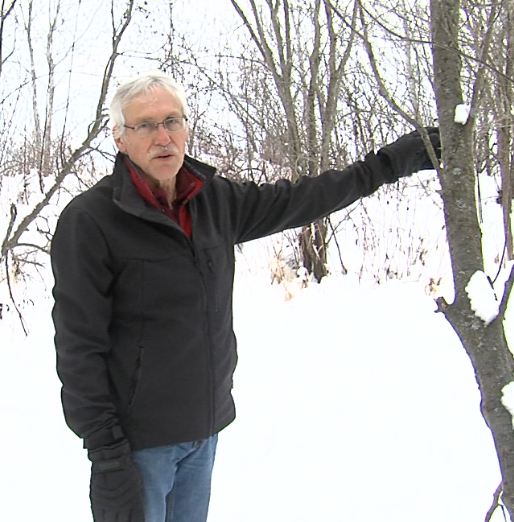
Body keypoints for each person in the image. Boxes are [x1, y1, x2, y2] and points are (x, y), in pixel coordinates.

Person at [50, 70, 441, 522]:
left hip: (203, 430)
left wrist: (389, 164)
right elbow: (79, 346)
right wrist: (106, 449)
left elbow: (303, 199)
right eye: (146, 125)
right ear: (120, 138)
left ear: (186, 129)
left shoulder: (214, 201)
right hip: (137, 446)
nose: (163, 136)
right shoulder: (91, 220)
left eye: (172, 121)